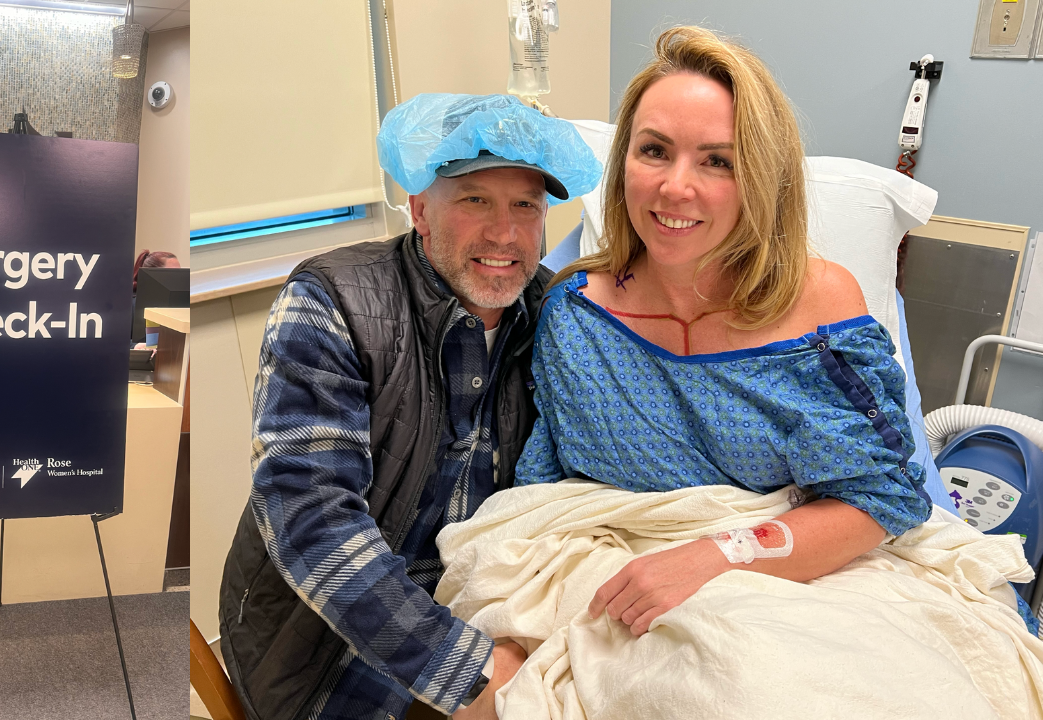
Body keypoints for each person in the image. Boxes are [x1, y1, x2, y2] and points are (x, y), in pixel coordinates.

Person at [517, 26, 933, 637]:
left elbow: (883, 496)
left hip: (792, 579)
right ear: (624, 163)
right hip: (611, 583)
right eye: (654, 150)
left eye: (718, 161)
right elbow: (546, 501)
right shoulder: (574, 318)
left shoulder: (819, 307)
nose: (675, 187)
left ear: (760, 181)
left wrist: (715, 557)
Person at [218, 94, 600, 720]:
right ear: (422, 209)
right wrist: (467, 668)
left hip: (483, 608)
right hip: (320, 643)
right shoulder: (332, 301)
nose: (504, 233)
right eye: (475, 199)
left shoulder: (551, 319)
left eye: (526, 205)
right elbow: (310, 516)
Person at [131, 250, 180, 347]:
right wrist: (136, 346)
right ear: (154, 275)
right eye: (174, 273)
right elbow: (115, 341)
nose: (179, 278)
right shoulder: (130, 304)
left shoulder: (179, 304)